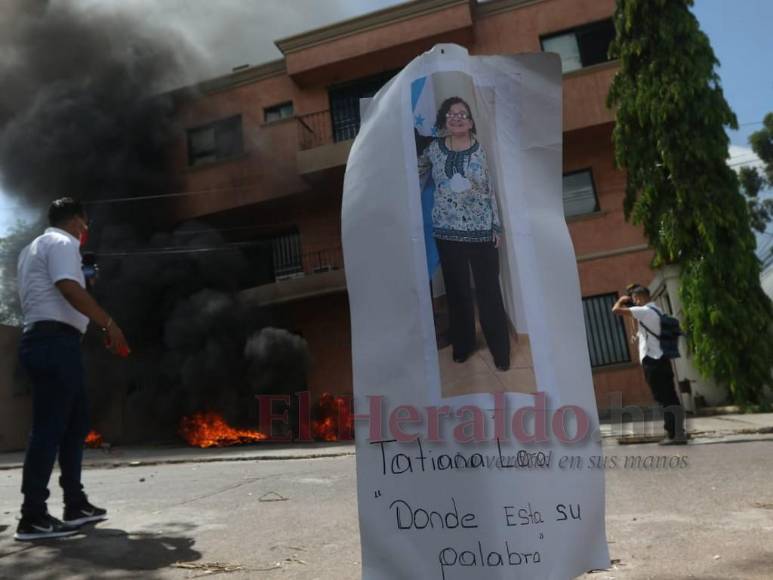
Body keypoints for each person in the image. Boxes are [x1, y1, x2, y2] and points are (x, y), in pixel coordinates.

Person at [14, 197, 131, 541]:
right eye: (85, 224)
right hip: (54, 343)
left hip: (50, 341)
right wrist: (110, 324)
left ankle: (75, 504)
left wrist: (85, 282)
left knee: (75, 425)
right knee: (49, 428)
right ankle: (33, 516)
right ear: (78, 221)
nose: (85, 231)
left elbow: (62, 289)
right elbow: (67, 288)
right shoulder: (63, 242)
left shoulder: (31, 249)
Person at [418, 96, 510, 370]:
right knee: (457, 292)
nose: (457, 118)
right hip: (447, 233)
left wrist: (496, 226)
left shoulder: (480, 150)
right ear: (444, 120)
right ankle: (463, 345)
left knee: (489, 291)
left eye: (462, 114)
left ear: (470, 122)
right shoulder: (433, 150)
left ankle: (500, 351)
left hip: (482, 232)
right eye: (451, 114)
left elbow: (489, 190)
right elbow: (416, 173)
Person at [612, 284, 686, 445]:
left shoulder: (644, 311)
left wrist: (621, 300)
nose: (634, 301)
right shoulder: (657, 311)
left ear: (638, 298)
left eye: (634, 299)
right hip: (663, 359)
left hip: (653, 361)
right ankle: (679, 432)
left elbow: (615, 310)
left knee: (663, 398)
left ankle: (673, 434)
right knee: (671, 396)